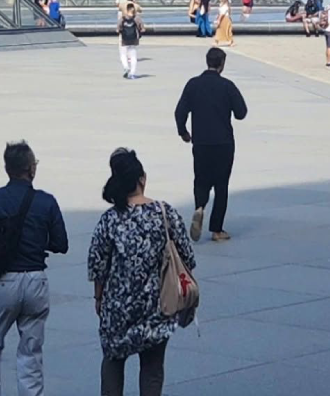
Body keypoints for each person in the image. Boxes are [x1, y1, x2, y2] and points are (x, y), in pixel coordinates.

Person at [88, 148, 195, 396]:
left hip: (118, 307)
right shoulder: (164, 213)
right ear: (142, 179)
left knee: (113, 362)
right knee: (152, 368)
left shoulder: (109, 220)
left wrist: (98, 298)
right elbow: (187, 258)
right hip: (157, 305)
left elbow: (98, 266)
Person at [0, 140, 68, 396]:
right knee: (31, 351)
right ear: (31, 169)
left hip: (4, 282)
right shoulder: (46, 202)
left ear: (7, 169)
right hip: (36, 280)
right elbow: (61, 244)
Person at [174, 47, 248, 242]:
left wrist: (183, 132)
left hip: (201, 142)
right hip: (223, 143)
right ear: (222, 64)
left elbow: (179, 111)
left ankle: (199, 207)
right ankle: (216, 230)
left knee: (201, 179)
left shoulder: (193, 84)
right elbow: (241, 113)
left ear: (207, 62)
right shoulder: (227, 86)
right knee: (221, 185)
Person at [116, 2, 144, 79]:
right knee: (133, 56)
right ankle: (132, 73)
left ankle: (126, 67)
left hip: (124, 40)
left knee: (123, 55)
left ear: (127, 10)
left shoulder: (122, 18)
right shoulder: (137, 18)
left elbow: (118, 29)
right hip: (134, 39)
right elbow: (143, 29)